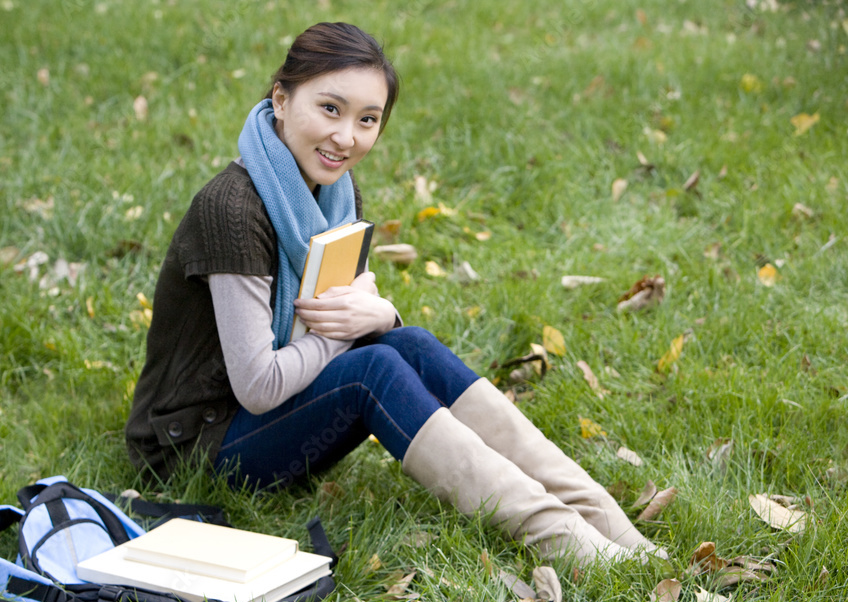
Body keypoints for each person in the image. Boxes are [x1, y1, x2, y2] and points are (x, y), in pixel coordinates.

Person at [125, 22, 667, 565]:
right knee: (374, 369)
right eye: (330, 109)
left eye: (368, 120)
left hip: (273, 408)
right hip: (194, 446)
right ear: (281, 100)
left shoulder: (333, 191)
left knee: (411, 345)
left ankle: (605, 524)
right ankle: (564, 541)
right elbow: (261, 385)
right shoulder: (233, 210)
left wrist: (380, 314)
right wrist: (364, 323)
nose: (346, 138)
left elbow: (350, 314)